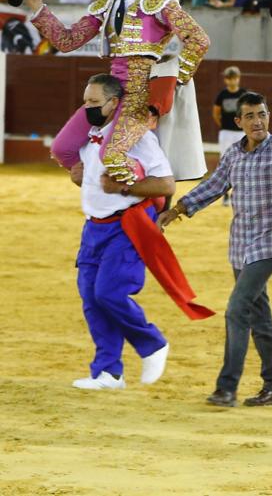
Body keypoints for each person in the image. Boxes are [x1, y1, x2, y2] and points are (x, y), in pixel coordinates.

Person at [26, 0, 210, 183]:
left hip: (141, 94)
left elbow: (199, 40)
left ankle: (149, 198)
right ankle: (99, 190)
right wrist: (38, 7)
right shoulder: (105, 5)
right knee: (62, 149)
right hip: (110, 92)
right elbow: (66, 41)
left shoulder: (158, 2)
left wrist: (174, 81)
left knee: (112, 156)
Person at [159, 92, 272, 408]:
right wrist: (177, 209)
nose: (257, 121)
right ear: (239, 122)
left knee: (237, 309)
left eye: (261, 114)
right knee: (259, 316)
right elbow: (213, 186)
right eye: (249, 116)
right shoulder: (234, 153)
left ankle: (227, 387)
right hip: (240, 247)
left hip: (269, 245)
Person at [68, 74, 176, 390]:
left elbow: (166, 184)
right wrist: (79, 175)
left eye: (93, 102)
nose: (86, 108)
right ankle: (109, 372)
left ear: (114, 103)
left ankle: (152, 343)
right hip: (93, 228)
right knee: (91, 297)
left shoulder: (138, 138)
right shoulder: (88, 136)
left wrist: (124, 187)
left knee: (109, 293)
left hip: (125, 226)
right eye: (85, 101)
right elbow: (90, 180)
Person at [213, 66, 248, 168]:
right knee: (225, 157)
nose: (232, 81)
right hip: (226, 132)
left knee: (243, 157)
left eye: (235, 78)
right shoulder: (222, 95)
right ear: (225, 80)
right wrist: (223, 125)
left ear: (239, 78)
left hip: (242, 132)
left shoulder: (243, 94)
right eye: (229, 78)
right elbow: (216, 113)